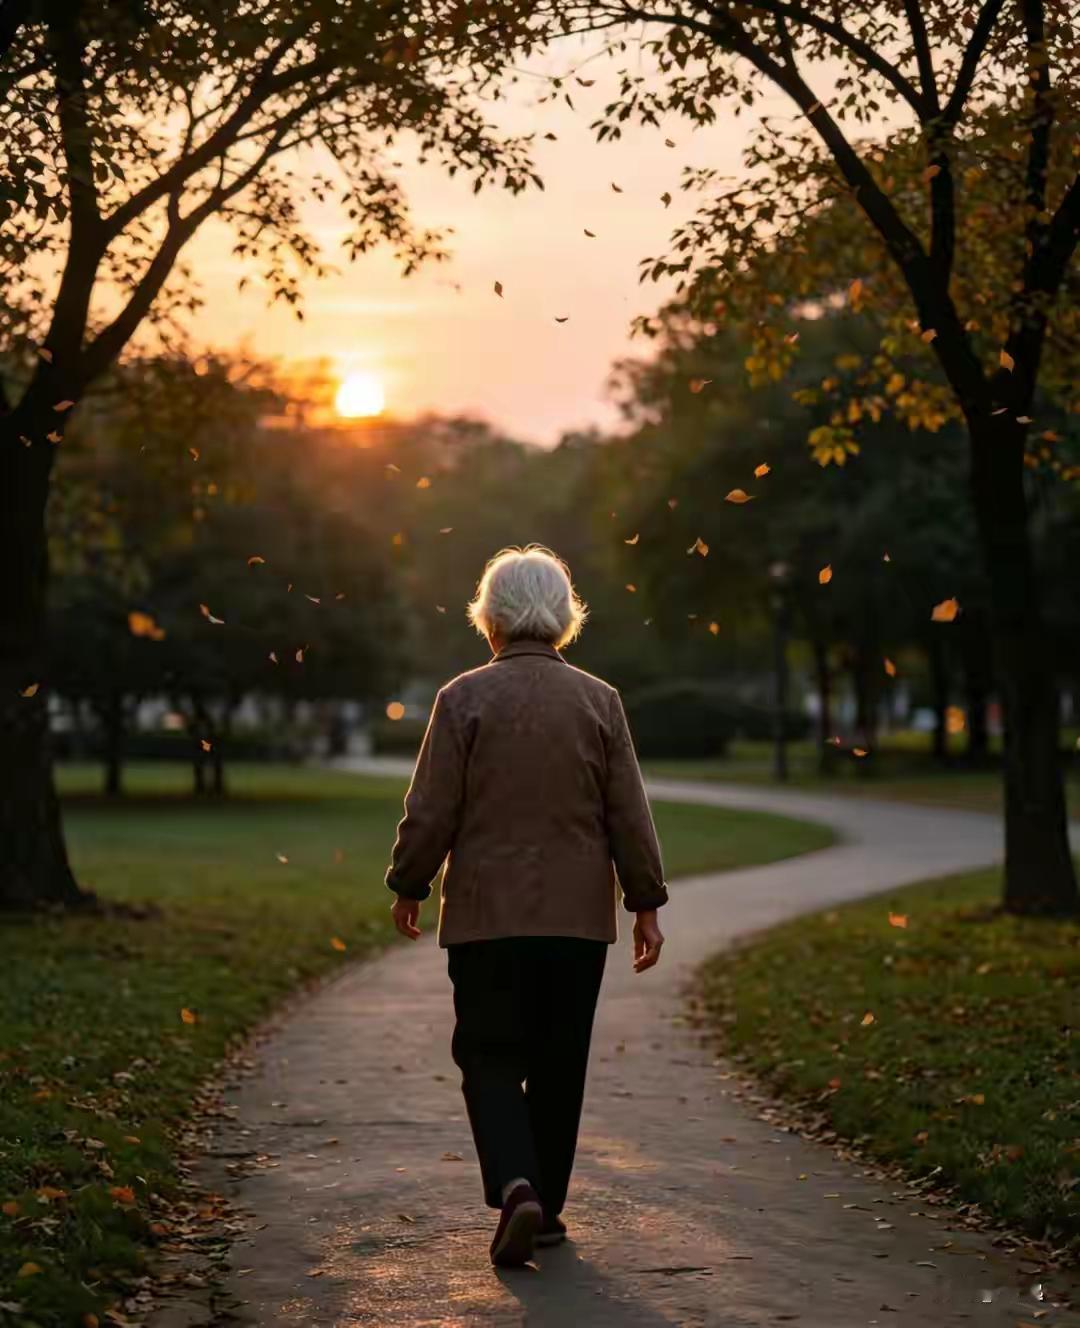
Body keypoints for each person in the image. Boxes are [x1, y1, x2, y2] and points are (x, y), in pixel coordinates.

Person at [384, 545, 668, 1268]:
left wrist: (409, 882)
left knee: (486, 1052)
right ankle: (544, 1209)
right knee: (558, 1058)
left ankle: (517, 1187)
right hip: (576, 922)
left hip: (486, 917)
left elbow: (430, 810)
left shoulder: (462, 698)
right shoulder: (601, 701)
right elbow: (628, 814)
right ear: (561, 618)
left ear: (494, 618)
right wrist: (644, 903)